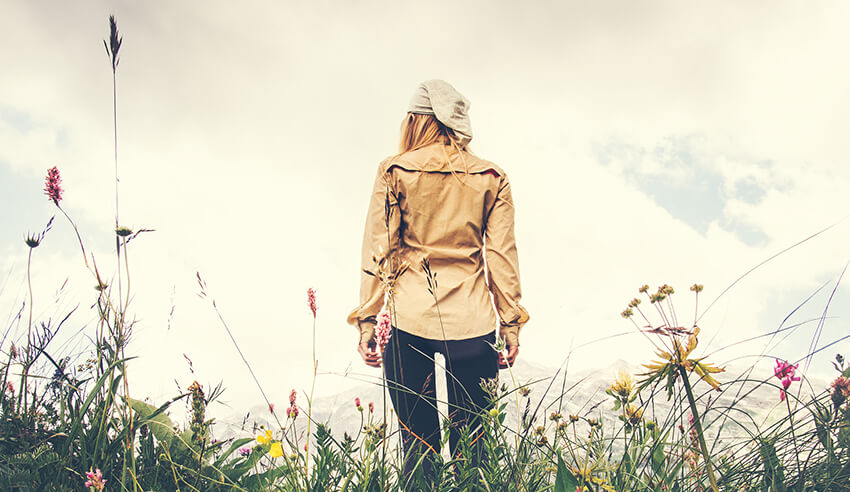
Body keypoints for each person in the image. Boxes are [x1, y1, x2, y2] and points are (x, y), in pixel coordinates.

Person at [347, 79, 529, 487]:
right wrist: (511, 324)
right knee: (476, 451)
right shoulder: (491, 177)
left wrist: (366, 321)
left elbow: (379, 253)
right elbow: (501, 256)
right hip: (475, 325)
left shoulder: (394, 170)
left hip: (408, 324)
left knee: (418, 449)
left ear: (417, 121)